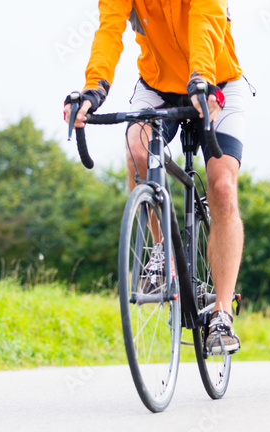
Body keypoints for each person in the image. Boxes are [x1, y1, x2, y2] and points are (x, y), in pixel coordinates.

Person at [63, 1, 247, 355]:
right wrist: (93, 90)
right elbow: (109, 31)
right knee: (138, 151)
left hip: (216, 81)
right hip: (159, 86)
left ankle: (222, 312)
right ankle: (161, 251)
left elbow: (206, 23)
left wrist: (202, 77)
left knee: (222, 188)